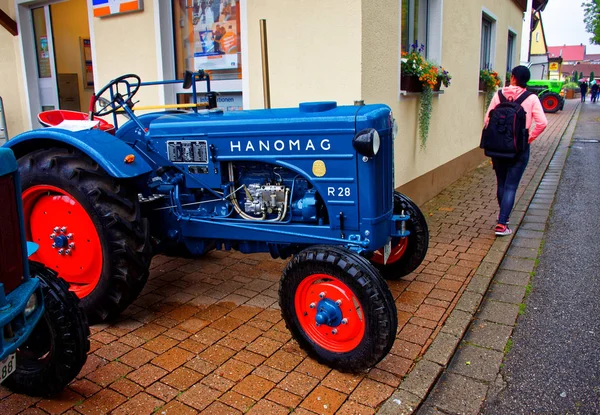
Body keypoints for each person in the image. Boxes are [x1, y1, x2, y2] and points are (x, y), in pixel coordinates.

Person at [484, 65, 548, 236]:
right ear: (526, 80)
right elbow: (542, 123)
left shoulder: (498, 94)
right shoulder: (532, 98)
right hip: (519, 148)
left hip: (498, 147)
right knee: (511, 186)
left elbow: (487, 120)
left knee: (502, 183)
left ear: (512, 77)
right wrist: (529, 138)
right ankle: (502, 223)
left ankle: (502, 217)